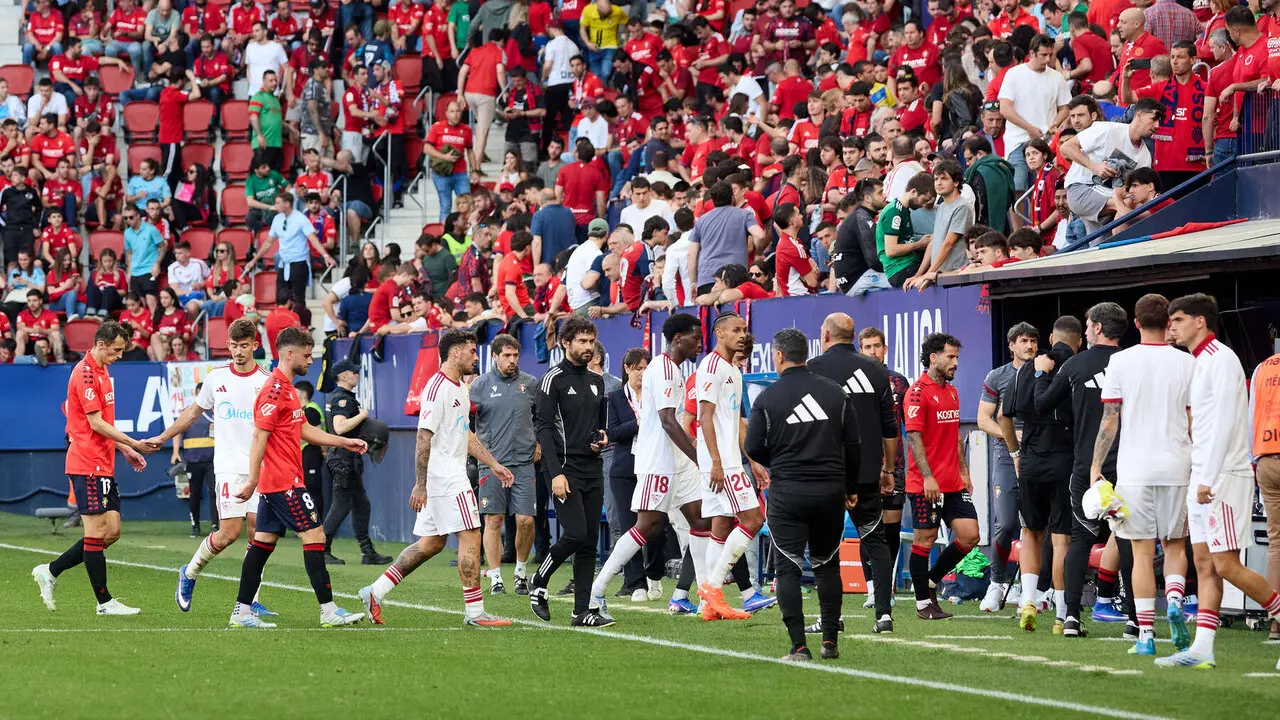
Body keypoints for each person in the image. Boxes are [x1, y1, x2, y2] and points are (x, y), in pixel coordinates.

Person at [357, 329, 514, 627]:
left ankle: (375, 591)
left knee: (431, 543)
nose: (475, 357)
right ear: (454, 353)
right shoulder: (436, 388)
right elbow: (422, 437)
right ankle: (475, 613)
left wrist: (493, 463)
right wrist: (421, 484)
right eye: (471, 351)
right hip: (446, 478)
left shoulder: (460, 388)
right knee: (471, 534)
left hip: (444, 477)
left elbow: (464, 433)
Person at [1160, 294, 1280, 668]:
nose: (1172, 327)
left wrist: (1208, 477)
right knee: (1204, 564)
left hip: (1224, 476)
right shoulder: (1197, 362)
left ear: (1200, 321)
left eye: (1178, 319)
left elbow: (1228, 422)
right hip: (1203, 476)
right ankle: (1203, 648)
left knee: (1227, 565)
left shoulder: (1222, 359)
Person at [226, 327, 367, 628]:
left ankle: (242, 612)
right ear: (290, 354)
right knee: (315, 537)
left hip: (278, 483)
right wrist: (252, 479)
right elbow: (259, 436)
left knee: (262, 544)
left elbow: (302, 429)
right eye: (307, 355)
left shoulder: (288, 389)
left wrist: (343, 442)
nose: (310, 360)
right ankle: (328, 610)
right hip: (284, 483)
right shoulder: (274, 390)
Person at [141, 319, 275, 616]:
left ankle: (250, 600)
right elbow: (192, 413)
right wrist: (163, 437)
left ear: (255, 345)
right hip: (228, 467)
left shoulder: (266, 381)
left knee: (260, 532)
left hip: (259, 467)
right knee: (229, 534)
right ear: (227, 345)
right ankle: (189, 573)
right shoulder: (217, 377)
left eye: (244, 345)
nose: (238, 351)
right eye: (234, 345)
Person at [584, 315, 709, 622]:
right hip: (658, 462)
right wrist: (697, 456)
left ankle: (696, 597)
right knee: (647, 526)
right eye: (695, 338)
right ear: (678, 339)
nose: (700, 344)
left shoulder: (673, 369)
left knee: (701, 521)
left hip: (677, 461)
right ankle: (596, 591)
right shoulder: (663, 369)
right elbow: (667, 421)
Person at [745, 328, 859, 662]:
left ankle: (798, 646)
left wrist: (779, 460)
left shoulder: (767, 398)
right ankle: (830, 641)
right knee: (827, 565)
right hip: (829, 491)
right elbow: (854, 445)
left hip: (788, 492)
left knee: (788, 568)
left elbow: (753, 446)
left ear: (779, 356)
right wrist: (851, 487)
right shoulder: (835, 393)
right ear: (805, 354)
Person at [1090, 293, 1193, 656]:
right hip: (1177, 464)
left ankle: (1146, 635)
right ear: (1169, 322)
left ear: (1135, 323)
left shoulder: (1120, 360)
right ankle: (1176, 598)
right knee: (1176, 543)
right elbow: (1193, 419)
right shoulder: (1188, 361)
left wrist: (1095, 466)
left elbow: (1110, 419)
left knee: (1141, 550)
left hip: (1134, 469)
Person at [32, 322, 151, 615]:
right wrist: (133, 442)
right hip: (87, 462)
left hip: (104, 462)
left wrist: (124, 449)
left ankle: (50, 570)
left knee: (111, 532)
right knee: (96, 533)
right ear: (101, 345)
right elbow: (95, 423)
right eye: (116, 350)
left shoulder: (103, 371)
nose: (120, 355)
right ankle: (105, 602)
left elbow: (104, 424)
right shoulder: (84, 373)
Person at [1030, 303, 1132, 638]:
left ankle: (1071, 617)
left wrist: (1041, 373)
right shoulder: (1131, 362)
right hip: (1129, 465)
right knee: (1130, 540)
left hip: (1087, 467)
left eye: (1088, 325)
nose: (1085, 330)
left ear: (1098, 328)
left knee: (1081, 539)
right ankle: (1136, 620)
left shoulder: (1075, 364)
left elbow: (1042, 404)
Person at [807, 314, 900, 634]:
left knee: (826, 544)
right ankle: (884, 615)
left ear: (825, 335)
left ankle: (830, 617)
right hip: (866, 471)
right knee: (876, 541)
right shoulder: (877, 370)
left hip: (827, 471)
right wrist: (888, 468)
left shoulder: (813, 368)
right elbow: (890, 428)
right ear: (854, 336)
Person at [528, 318, 610, 625]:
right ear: (566, 343)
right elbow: (544, 430)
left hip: (592, 469)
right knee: (575, 534)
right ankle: (539, 579)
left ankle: (581, 612)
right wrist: (555, 474)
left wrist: (601, 440)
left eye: (591, 341)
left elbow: (597, 427)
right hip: (564, 469)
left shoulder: (597, 381)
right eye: (582, 341)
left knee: (588, 542)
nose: (588, 347)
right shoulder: (552, 380)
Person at [904, 333, 979, 621]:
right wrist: (928, 477)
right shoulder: (917, 392)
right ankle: (923, 603)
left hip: (953, 481)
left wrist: (963, 471)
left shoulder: (953, 392)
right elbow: (914, 437)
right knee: (925, 538)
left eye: (957, 357)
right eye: (950, 357)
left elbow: (955, 435)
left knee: (970, 535)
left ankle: (930, 580)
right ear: (933, 357)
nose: (955, 363)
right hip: (926, 483)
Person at [468, 335, 540, 596]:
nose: (512, 360)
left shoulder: (530, 383)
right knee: (494, 519)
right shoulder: (479, 386)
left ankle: (520, 573)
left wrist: (539, 442)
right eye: (507, 356)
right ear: (495, 357)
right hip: (492, 463)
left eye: (515, 355)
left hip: (523, 462)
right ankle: (495, 577)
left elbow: (542, 417)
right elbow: (463, 420)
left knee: (526, 520)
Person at [976, 322, 1038, 613]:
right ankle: (997, 582)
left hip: (1040, 455)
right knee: (1006, 522)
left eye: (1033, 340)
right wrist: (1012, 435)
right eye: (1023, 340)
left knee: (1037, 525)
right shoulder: (997, 376)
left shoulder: (1044, 372)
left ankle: (1034, 588)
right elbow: (983, 419)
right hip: (1005, 455)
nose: (1029, 346)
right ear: (1011, 345)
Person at [318, 360, 392, 565]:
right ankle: (321, 549)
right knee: (341, 506)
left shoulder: (340, 396)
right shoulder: (342, 398)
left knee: (361, 505)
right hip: (343, 458)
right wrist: (362, 415)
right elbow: (340, 427)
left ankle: (367, 552)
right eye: (353, 372)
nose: (356, 375)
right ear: (343, 376)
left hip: (347, 459)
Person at [1061, 98, 1164, 234]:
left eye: (1159, 121)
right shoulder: (1108, 129)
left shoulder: (1145, 156)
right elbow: (1066, 148)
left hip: (1107, 200)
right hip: (1081, 189)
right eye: (1154, 119)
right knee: (1128, 204)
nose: (1157, 125)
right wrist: (1094, 166)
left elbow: (1137, 190)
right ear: (1140, 115)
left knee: (1101, 243)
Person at [245, 191, 338, 327]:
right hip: (283, 264)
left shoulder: (301, 219)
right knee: (280, 298)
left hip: (298, 263)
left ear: (287, 204)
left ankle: (301, 329)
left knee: (298, 300)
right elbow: (269, 242)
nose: (275, 206)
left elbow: (313, 239)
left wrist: (325, 255)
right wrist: (254, 260)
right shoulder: (277, 219)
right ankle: (280, 327)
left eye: (278, 203)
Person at [998, 34, 1071, 193]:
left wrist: (1055, 123)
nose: (1047, 59)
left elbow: (1065, 108)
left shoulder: (1057, 77)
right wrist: (1029, 128)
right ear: (1031, 53)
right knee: (1018, 189)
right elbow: (1005, 109)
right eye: (1043, 55)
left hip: (1047, 141)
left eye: (1050, 55)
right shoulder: (1014, 74)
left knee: (1047, 189)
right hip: (1018, 140)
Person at [687, 182, 766, 294]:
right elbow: (760, 235)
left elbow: (691, 254)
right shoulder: (744, 215)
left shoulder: (702, 220)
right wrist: (759, 252)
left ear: (713, 200)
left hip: (707, 278)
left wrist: (693, 282)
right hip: (735, 277)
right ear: (732, 197)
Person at [875, 173, 936, 288]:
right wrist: (919, 244)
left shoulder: (903, 210)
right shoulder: (894, 212)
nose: (924, 205)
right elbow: (891, 250)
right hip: (900, 268)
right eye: (924, 200)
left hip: (907, 264)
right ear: (913, 192)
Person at [426, 100, 479, 221]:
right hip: (441, 173)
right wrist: (443, 156)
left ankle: (470, 229)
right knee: (445, 206)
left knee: (468, 204)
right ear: (446, 113)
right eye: (452, 111)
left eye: (458, 111)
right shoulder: (437, 127)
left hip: (460, 173)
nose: (455, 114)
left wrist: (475, 171)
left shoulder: (466, 130)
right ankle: (445, 232)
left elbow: (470, 151)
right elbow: (426, 148)